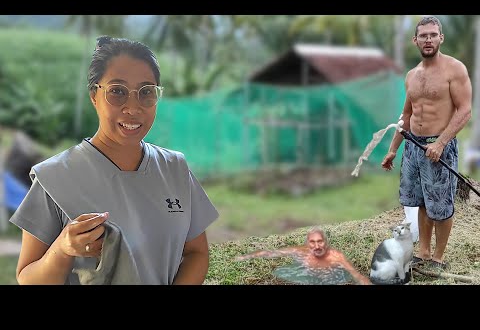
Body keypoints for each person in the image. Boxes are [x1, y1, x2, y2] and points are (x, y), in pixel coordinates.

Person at [9, 36, 219, 285]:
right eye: (117, 91)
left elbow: (196, 253)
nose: (133, 107)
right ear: (94, 96)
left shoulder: (175, 169)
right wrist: (62, 250)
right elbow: (27, 278)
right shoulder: (54, 179)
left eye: (146, 93)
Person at [382, 16, 472, 269]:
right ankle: (422, 252)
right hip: (413, 147)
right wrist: (392, 150)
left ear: (441, 38)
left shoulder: (455, 69)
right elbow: (406, 116)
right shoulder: (412, 75)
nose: (428, 39)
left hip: (438, 148)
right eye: (424, 35)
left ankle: (438, 257)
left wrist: (441, 143)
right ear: (416, 40)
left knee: (441, 206)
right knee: (421, 201)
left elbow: (465, 111)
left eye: (433, 34)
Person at [235, 227, 371, 285]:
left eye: (320, 241)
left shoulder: (336, 256)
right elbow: (271, 252)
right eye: (312, 242)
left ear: (325, 243)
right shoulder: (301, 252)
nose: (317, 246)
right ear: (307, 244)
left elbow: (357, 275)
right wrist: (245, 257)